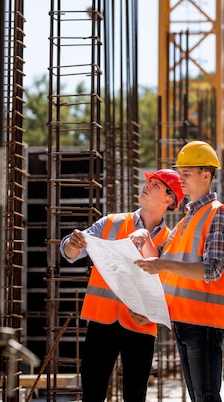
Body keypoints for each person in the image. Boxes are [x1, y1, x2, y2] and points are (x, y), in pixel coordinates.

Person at [60, 168, 184, 402]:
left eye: (155, 185)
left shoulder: (171, 240)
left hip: (141, 325)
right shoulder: (112, 223)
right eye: (148, 182)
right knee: (92, 395)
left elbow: (171, 287)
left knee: (135, 397)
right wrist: (72, 244)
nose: (146, 185)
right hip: (101, 321)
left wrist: (154, 315)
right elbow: (70, 250)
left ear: (169, 199)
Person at [132, 140, 224, 402]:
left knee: (206, 397)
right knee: (199, 397)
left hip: (203, 322)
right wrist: (144, 236)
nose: (181, 179)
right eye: (180, 173)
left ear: (206, 174)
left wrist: (163, 264)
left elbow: (212, 270)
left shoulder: (218, 215)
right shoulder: (187, 219)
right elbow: (165, 268)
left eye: (186, 174)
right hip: (184, 321)